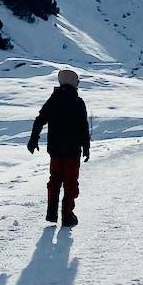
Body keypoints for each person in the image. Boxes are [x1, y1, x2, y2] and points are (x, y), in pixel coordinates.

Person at [28, 69, 90, 227]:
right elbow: (84, 127)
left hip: (55, 151)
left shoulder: (53, 100)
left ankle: (51, 213)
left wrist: (33, 139)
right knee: (70, 182)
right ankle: (67, 216)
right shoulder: (78, 102)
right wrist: (86, 147)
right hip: (72, 152)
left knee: (54, 180)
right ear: (74, 83)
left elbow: (39, 120)